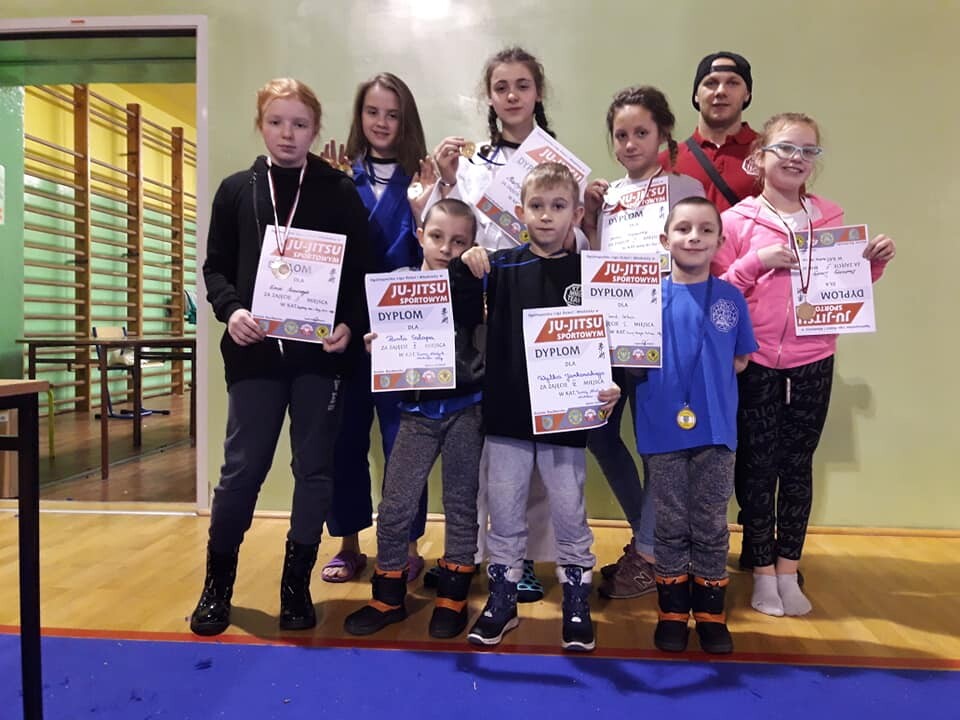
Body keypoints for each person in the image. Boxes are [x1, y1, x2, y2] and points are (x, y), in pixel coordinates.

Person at [191, 78, 369, 636]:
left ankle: (296, 586)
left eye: (299, 124)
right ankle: (217, 585)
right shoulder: (235, 190)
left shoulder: (339, 191)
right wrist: (231, 310)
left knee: (313, 470)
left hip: (320, 360)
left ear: (315, 130)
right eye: (276, 122)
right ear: (261, 125)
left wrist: (348, 324)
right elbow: (215, 267)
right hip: (255, 355)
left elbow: (360, 273)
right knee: (242, 471)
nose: (287, 134)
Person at [713, 112, 896, 617]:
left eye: (808, 151)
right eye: (786, 148)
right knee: (757, 467)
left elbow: (843, 289)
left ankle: (788, 569)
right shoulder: (736, 222)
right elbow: (718, 294)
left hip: (814, 360)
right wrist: (756, 262)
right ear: (759, 158)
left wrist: (874, 263)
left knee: (797, 465)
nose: (797, 158)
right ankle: (761, 571)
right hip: (755, 362)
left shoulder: (830, 219)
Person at [416, 46, 581, 600]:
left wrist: (591, 205)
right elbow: (450, 232)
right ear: (489, 96)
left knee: (542, 437)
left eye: (522, 85)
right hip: (487, 309)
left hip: (543, 309)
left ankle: (528, 558)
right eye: (502, 87)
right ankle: (486, 555)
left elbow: (577, 242)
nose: (512, 96)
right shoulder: (472, 164)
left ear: (538, 92)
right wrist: (444, 183)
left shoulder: (560, 163)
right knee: (492, 442)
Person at [452, 163, 620, 652]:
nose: (547, 215)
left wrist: (611, 383)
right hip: (507, 416)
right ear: (520, 211)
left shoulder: (592, 275)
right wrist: (467, 263)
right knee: (504, 514)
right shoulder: (500, 267)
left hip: (566, 418)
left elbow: (617, 337)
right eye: (537, 206)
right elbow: (459, 310)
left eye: (558, 206)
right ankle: (501, 602)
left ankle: (576, 603)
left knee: (570, 512)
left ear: (577, 213)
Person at [582, 85, 705, 599]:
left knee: (657, 443)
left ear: (663, 134)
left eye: (641, 132)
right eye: (621, 135)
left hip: (664, 330)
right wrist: (590, 218)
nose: (630, 143)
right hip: (611, 332)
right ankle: (653, 540)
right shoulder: (607, 195)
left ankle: (651, 553)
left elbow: (699, 252)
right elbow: (594, 261)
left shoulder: (683, 187)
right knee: (598, 434)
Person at [344, 199, 484, 639]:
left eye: (459, 242)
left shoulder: (474, 284)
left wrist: (476, 270)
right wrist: (376, 344)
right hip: (416, 413)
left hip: (466, 408)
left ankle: (453, 596)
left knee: (460, 504)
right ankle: (388, 595)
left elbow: (484, 319)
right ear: (420, 236)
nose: (446, 248)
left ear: (471, 245)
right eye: (437, 237)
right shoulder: (398, 286)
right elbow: (382, 339)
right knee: (395, 504)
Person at [319, 73, 430, 584]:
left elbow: (437, 252)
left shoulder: (421, 179)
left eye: (392, 114)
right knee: (344, 440)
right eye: (372, 112)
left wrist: (429, 200)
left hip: (403, 331)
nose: (382, 122)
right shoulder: (339, 177)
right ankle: (348, 544)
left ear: (406, 120)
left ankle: (407, 545)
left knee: (403, 443)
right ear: (359, 117)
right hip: (346, 328)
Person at [633, 196, 756, 654]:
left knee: (710, 521)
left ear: (720, 242)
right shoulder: (644, 299)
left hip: (717, 432)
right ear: (664, 240)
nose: (694, 237)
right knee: (669, 521)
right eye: (683, 228)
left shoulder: (730, 298)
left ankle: (710, 614)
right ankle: (671, 612)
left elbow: (741, 359)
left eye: (706, 230)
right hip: (661, 429)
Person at [660, 52, 757, 212]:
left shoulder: (771, 156)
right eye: (711, 83)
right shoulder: (664, 163)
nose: (721, 91)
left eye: (732, 83)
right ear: (696, 95)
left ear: (747, 94)